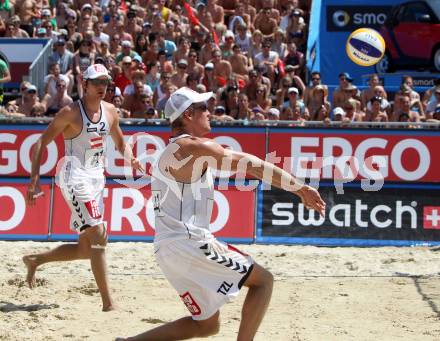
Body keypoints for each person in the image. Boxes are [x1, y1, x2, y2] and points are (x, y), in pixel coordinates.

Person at [117, 87, 325, 340]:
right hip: (189, 243)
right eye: (203, 107)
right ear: (188, 114)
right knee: (263, 282)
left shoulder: (169, 151)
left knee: (206, 326)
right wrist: (299, 188)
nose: (210, 111)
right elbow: (250, 165)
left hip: (166, 249)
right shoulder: (191, 146)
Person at [23, 64, 144, 312]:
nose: (102, 87)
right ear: (84, 84)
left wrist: (130, 157)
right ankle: (109, 303)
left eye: (105, 82)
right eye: (97, 82)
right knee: (99, 235)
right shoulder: (70, 113)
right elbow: (39, 144)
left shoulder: (110, 111)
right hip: (73, 176)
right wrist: (34, 180)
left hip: (96, 178)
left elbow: (121, 143)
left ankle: (36, 260)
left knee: (86, 248)